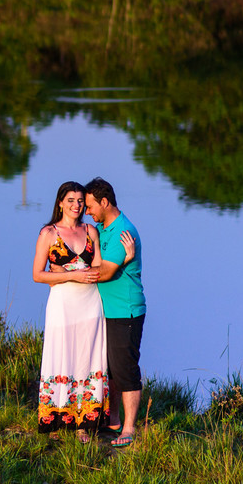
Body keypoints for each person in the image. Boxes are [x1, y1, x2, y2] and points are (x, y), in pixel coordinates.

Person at [30, 181, 109, 441]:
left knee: (87, 358)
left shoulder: (91, 231)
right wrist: (68, 275)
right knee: (61, 355)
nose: (76, 205)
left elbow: (98, 268)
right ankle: (56, 419)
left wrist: (127, 258)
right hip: (62, 307)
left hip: (90, 305)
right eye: (71, 200)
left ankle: (83, 423)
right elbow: (37, 275)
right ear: (60, 203)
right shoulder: (48, 233)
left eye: (80, 201)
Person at [83, 176, 145, 449]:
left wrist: (68, 275)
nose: (87, 211)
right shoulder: (101, 228)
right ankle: (113, 420)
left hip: (125, 311)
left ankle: (129, 429)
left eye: (90, 206)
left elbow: (105, 273)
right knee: (108, 369)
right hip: (104, 311)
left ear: (105, 202)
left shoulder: (123, 231)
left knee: (125, 369)